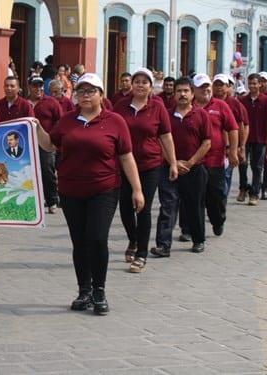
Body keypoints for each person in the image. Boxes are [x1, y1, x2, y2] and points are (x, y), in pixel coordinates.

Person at [37, 73, 144, 314]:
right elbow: (50, 145)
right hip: (71, 190)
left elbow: (126, 157)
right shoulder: (67, 121)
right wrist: (34, 127)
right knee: (80, 242)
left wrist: (137, 189)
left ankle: (99, 291)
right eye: (81, 91)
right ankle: (84, 290)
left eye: (91, 91)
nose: (85, 95)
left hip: (104, 189)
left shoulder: (115, 121)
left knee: (97, 238)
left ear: (101, 95)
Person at [112, 68, 177, 273]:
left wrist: (173, 163)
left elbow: (166, 137)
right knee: (124, 208)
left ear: (151, 87)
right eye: (136, 81)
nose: (140, 85)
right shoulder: (121, 106)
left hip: (150, 165)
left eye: (144, 82)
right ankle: (133, 238)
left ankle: (141, 254)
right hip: (123, 166)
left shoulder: (158, 108)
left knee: (144, 208)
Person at [151, 77, 211, 257]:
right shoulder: (166, 115)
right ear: (174, 94)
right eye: (179, 91)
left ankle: (198, 240)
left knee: (194, 206)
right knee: (168, 206)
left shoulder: (201, 115)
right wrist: (173, 162)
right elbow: (159, 141)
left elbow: (207, 142)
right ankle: (163, 245)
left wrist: (190, 162)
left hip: (195, 169)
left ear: (193, 94)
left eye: (186, 91)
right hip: (169, 168)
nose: (182, 94)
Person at [192, 74, 238, 237]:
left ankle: (218, 220)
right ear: (194, 90)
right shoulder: (188, 107)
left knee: (215, 197)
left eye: (207, 86)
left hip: (214, 161)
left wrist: (233, 151)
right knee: (192, 198)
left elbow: (233, 129)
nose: (205, 89)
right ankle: (190, 230)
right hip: (193, 162)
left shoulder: (220, 106)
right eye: (201, 87)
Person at [237, 73, 267, 206]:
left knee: (257, 167)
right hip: (245, 138)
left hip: (261, 138)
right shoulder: (242, 100)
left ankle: (254, 193)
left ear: (260, 84)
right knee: (242, 163)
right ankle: (243, 188)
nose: (252, 86)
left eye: (255, 83)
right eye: (250, 83)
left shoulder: (266, 100)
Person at [28, 75, 62, 215]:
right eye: (35, 85)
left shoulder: (51, 102)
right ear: (29, 86)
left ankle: (52, 200)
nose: (38, 88)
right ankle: (32, 202)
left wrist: (54, 139)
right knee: (27, 173)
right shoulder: (24, 103)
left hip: (46, 143)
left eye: (40, 85)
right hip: (27, 144)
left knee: (47, 171)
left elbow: (60, 121)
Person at [212, 74, 249, 199]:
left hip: (229, 148)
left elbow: (240, 126)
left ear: (228, 87)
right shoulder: (207, 101)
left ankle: (222, 202)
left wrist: (240, 147)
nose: (219, 88)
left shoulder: (234, 104)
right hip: (211, 148)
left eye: (221, 85)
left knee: (226, 175)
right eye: (216, 85)